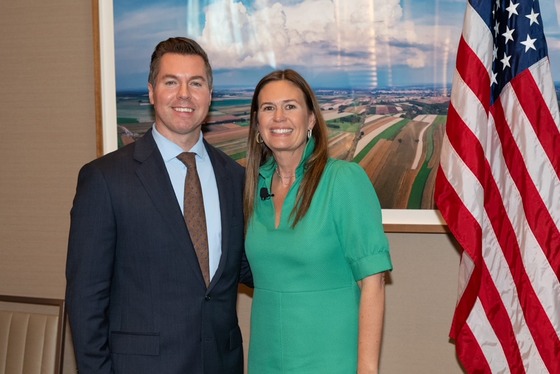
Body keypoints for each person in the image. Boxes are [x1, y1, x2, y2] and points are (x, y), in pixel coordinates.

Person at [65, 37, 252, 374]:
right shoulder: (105, 180)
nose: (184, 94)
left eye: (195, 83)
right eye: (171, 82)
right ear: (152, 92)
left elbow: (244, 267)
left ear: (209, 95)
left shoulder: (234, 178)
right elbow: (85, 301)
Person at [243, 69, 393, 374]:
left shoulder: (343, 180)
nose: (279, 117)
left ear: (311, 120)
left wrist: (367, 370)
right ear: (258, 124)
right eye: (268, 108)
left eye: (291, 106)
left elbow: (373, 284)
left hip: (330, 360)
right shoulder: (251, 188)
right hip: (266, 360)